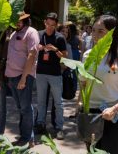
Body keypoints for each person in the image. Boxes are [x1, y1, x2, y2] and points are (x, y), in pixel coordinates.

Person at [82, 14, 118, 154]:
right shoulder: (87, 55)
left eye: (100, 31)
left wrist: (113, 109)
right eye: (93, 30)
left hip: (114, 116)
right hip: (91, 115)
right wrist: (80, 105)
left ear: (112, 33)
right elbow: (83, 84)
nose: (95, 35)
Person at [5, 12, 39, 147]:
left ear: (25, 20)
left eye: (19, 21)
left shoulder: (31, 32)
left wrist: (24, 78)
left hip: (23, 76)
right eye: (14, 21)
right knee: (21, 107)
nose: (16, 23)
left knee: (25, 108)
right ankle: (26, 136)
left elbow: (32, 55)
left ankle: (28, 138)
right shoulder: (13, 34)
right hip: (12, 76)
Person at [35, 12, 67, 140]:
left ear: (56, 25)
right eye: (48, 24)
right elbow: (33, 47)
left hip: (55, 74)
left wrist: (55, 50)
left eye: (53, 25)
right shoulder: (39, 34)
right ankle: (40, 124)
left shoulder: (60, 38)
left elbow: (64, 56)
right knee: (41, 101)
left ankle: (59, 127)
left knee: (58, 103)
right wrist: (41, 48)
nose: (50, 27)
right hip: (41, 72)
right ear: (45, 22)